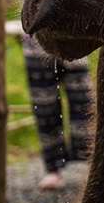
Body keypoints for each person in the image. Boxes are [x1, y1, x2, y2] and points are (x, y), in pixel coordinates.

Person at [21, 36, 92, 190]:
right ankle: (53, 168)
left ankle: (89, 162)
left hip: (75, 38)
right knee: (44, 106)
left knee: (84, 103)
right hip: (35, 42)